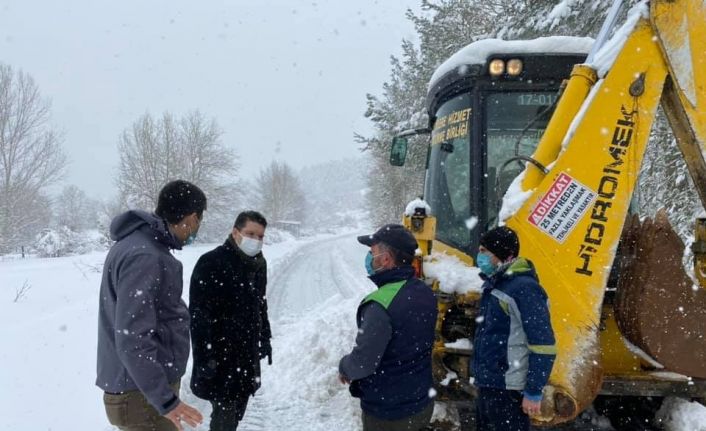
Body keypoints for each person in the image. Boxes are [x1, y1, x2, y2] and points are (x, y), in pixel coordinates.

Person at [96, 180, 206, 431]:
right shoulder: (145, 256)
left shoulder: (139, 246)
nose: (195, 230)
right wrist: (165, 401)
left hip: (141, 391)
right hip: (141, 396)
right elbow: (132, 337)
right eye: (198, 222)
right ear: (190, 218)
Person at [339, 224, 438, 431]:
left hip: (389, 414)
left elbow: (363, 363)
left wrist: (344, 367)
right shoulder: (424, 292)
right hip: (421, 402)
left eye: (372, 252)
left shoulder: (380, 304)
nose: (369, 258)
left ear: (385, 259)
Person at [189, 210, 272, 431]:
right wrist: (204, 356)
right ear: (235, 232)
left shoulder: (258, 265)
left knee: (237, 411)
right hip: (220, 356)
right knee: (224, 416)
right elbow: (198, 316)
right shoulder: (211, 263)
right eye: (250, 233)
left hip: (246, 355)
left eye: (260, 236)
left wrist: (265, 336)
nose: (255, 240)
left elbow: (260, 304)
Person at [472, 226, 557, 431]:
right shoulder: (497, 285)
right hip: (490, 384)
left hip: (509, 388)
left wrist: (533, 391)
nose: (479, 256)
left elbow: (543, 344)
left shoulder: (524, 289)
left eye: (484, 251)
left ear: (501, 254)